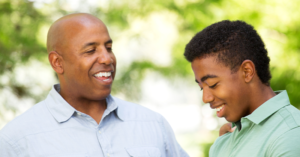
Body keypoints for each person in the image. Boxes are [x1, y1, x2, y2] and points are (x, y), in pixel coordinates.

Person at [0, 13, 189, 157]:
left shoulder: (152, 124)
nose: (107, 58)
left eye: (109, 48)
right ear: (57, 62)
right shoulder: (16, 140)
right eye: (90, 50)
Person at [184, 20, 300, 156]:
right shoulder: (222, 142)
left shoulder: (290, 135)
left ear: (247, 71)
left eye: (212, 84)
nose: (206, 98)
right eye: (201, 87)